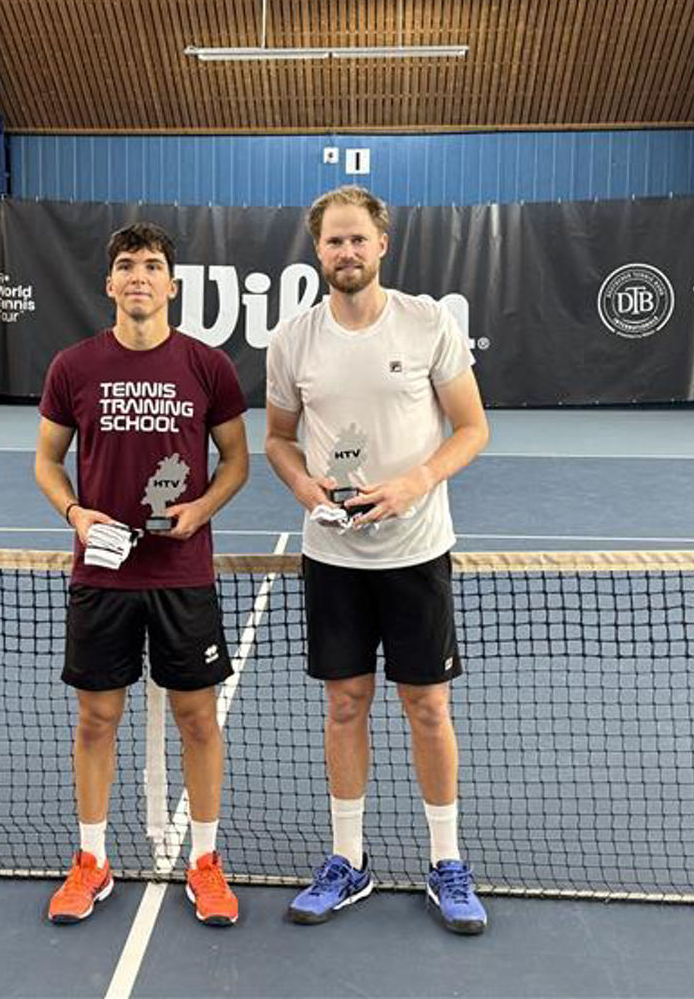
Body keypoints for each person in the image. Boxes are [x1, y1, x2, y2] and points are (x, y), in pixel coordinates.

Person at [264, 186, 491, 934]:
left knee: (427, 707)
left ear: (382, 244)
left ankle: (447, 862)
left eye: (358, 239)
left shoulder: (428, 324)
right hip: (333, 556)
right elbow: (277, 438)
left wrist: (414, 483)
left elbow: (471, 428)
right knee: (343, 706)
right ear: (317, 250)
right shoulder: (293, 340)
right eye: (334, 242)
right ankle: (348, 859)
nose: (347, 252)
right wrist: (304, 488)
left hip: (418, 551)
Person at [35, 221, 249, 926]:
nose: (139, 277)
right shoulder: (72, 366)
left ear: (171, 284)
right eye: (126, 265)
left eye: (152, 266)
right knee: (96, 718)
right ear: (109, 283)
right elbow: (46, 460)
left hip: (183, 572)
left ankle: (207, 862)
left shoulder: (207, 366)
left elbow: (236, 462)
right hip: (102, 576)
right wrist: (74, 513)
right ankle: (91, 860)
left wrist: (202, 510)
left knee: (198, 720)